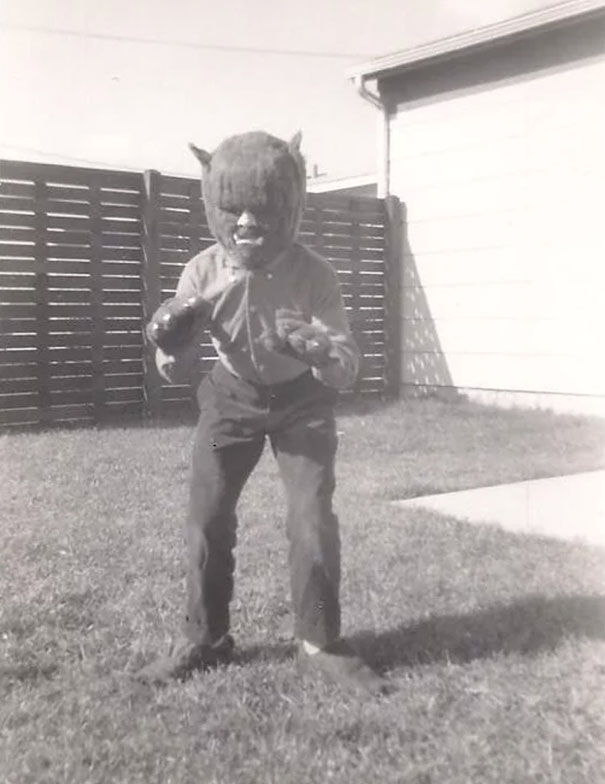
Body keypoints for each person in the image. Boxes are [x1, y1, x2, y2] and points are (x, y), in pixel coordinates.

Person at [136, 131, 388, 695]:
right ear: (212, 206)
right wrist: (170, 344)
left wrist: (321, 352)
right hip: (231, 397)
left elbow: (346, 368)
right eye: (232, 209)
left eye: (263, 208)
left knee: (311, 518)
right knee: (208, 517)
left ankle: (321, 642)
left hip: (302, 402)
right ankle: (204, 639)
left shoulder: (315, 273)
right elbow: (173, 369)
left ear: (291, 205)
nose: (247, 223)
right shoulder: (201, 272)